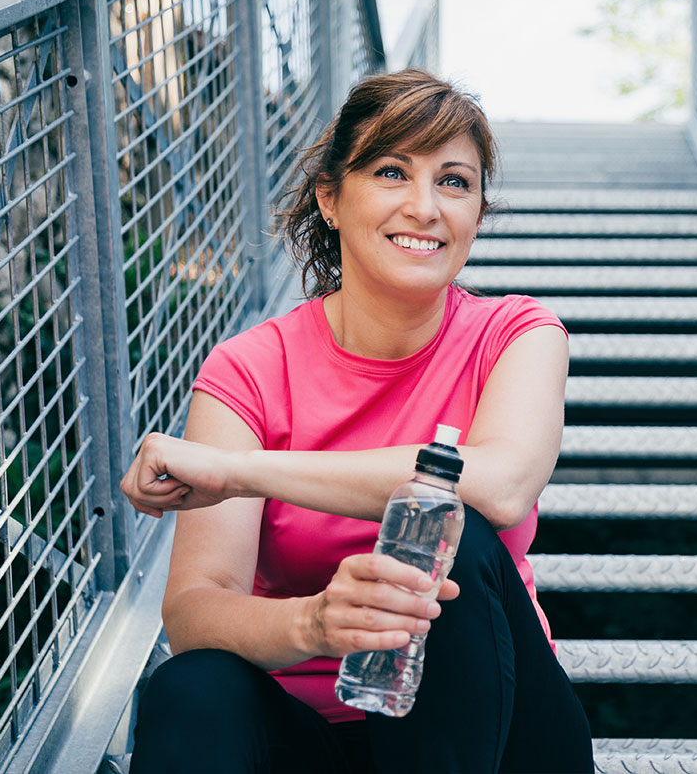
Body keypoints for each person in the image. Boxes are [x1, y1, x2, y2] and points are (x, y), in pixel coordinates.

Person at [120, 69, 594, 773]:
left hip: (499, 732)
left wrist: (239, 469)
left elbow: (498, 484)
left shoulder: (517, 332)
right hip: (313, 732)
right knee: (190, 684)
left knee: (447, 535)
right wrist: (309, 622)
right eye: (391, 171)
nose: (425, 206)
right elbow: (193, 611)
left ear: (477, 214)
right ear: (331, 198)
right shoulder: (250, 367)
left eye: (454, 181)